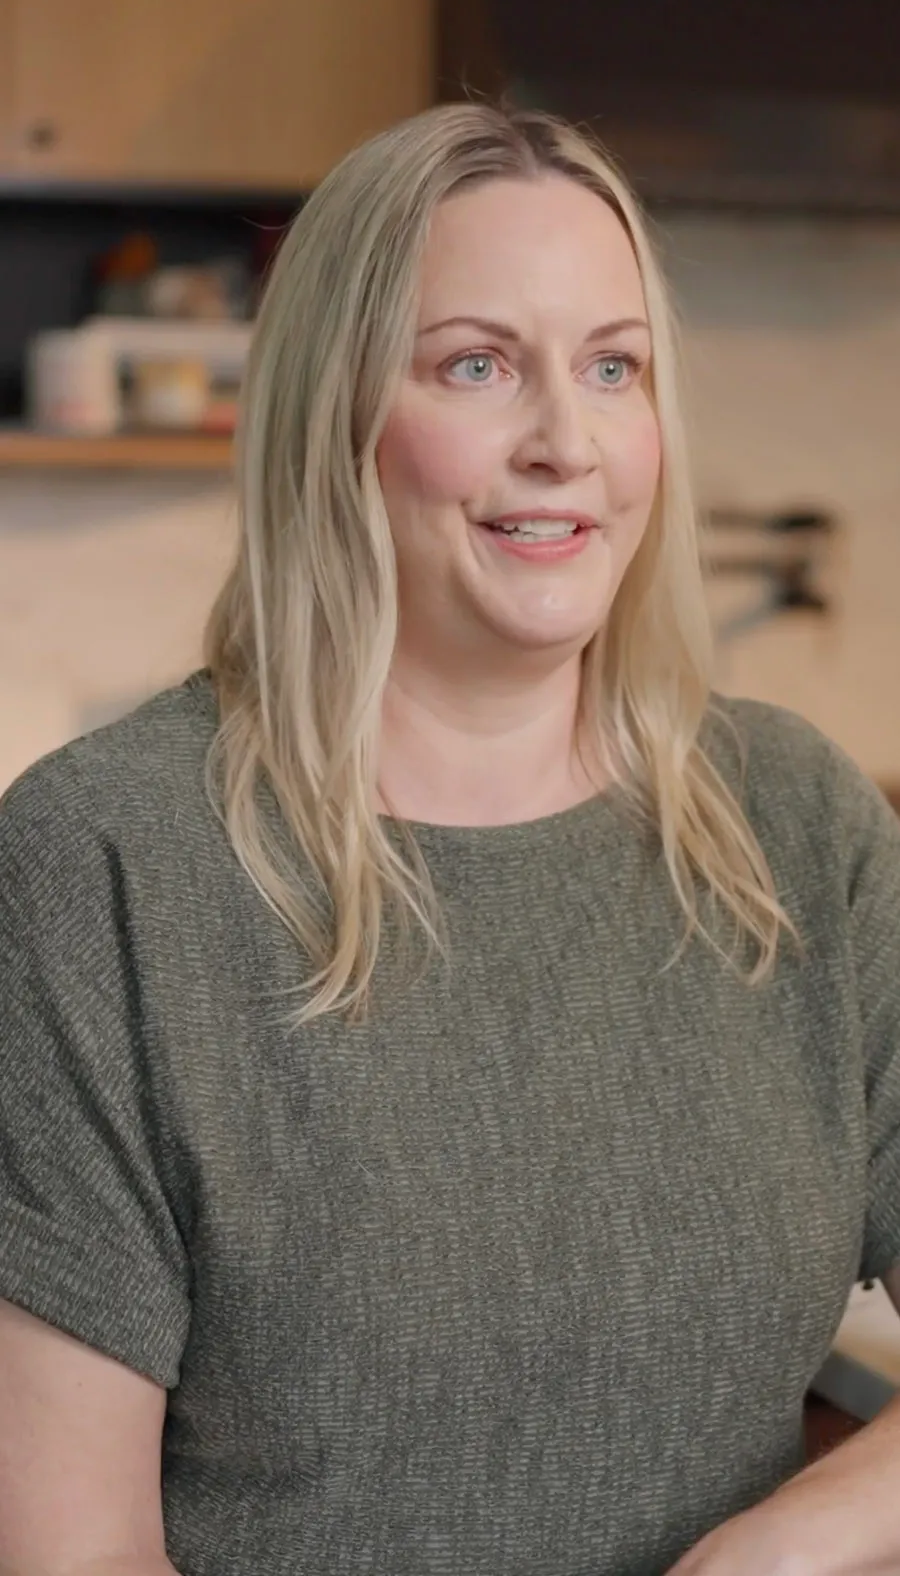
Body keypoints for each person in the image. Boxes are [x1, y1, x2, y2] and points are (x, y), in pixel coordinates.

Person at [1, 102, 899, 1576]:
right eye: (477, 366)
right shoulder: (105, 863)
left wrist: (777, 1555)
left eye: (613, 368)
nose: (566, 444)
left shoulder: (795, 824)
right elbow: (74, 1555)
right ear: (334, 411)